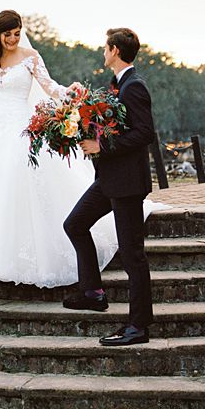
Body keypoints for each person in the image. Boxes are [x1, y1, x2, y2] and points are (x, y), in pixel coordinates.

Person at [0, 11, 164, 288]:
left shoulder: (31, 56)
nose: (13, 39)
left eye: (17, 33)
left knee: (19, 187)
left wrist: (71, 93)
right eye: (8, 34)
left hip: (19, 128)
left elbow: (50, 88)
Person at [63, 27, 156, 346]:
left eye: (106, 48)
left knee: (132, 255)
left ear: (115, 50)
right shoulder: (116, 87)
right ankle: (92, 292)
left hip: (128, 184)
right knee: (75, 224)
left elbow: (145, 134)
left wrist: (103, 146)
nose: (103, 52)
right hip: (109, 180)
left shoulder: (134, 87)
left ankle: (138, 327)